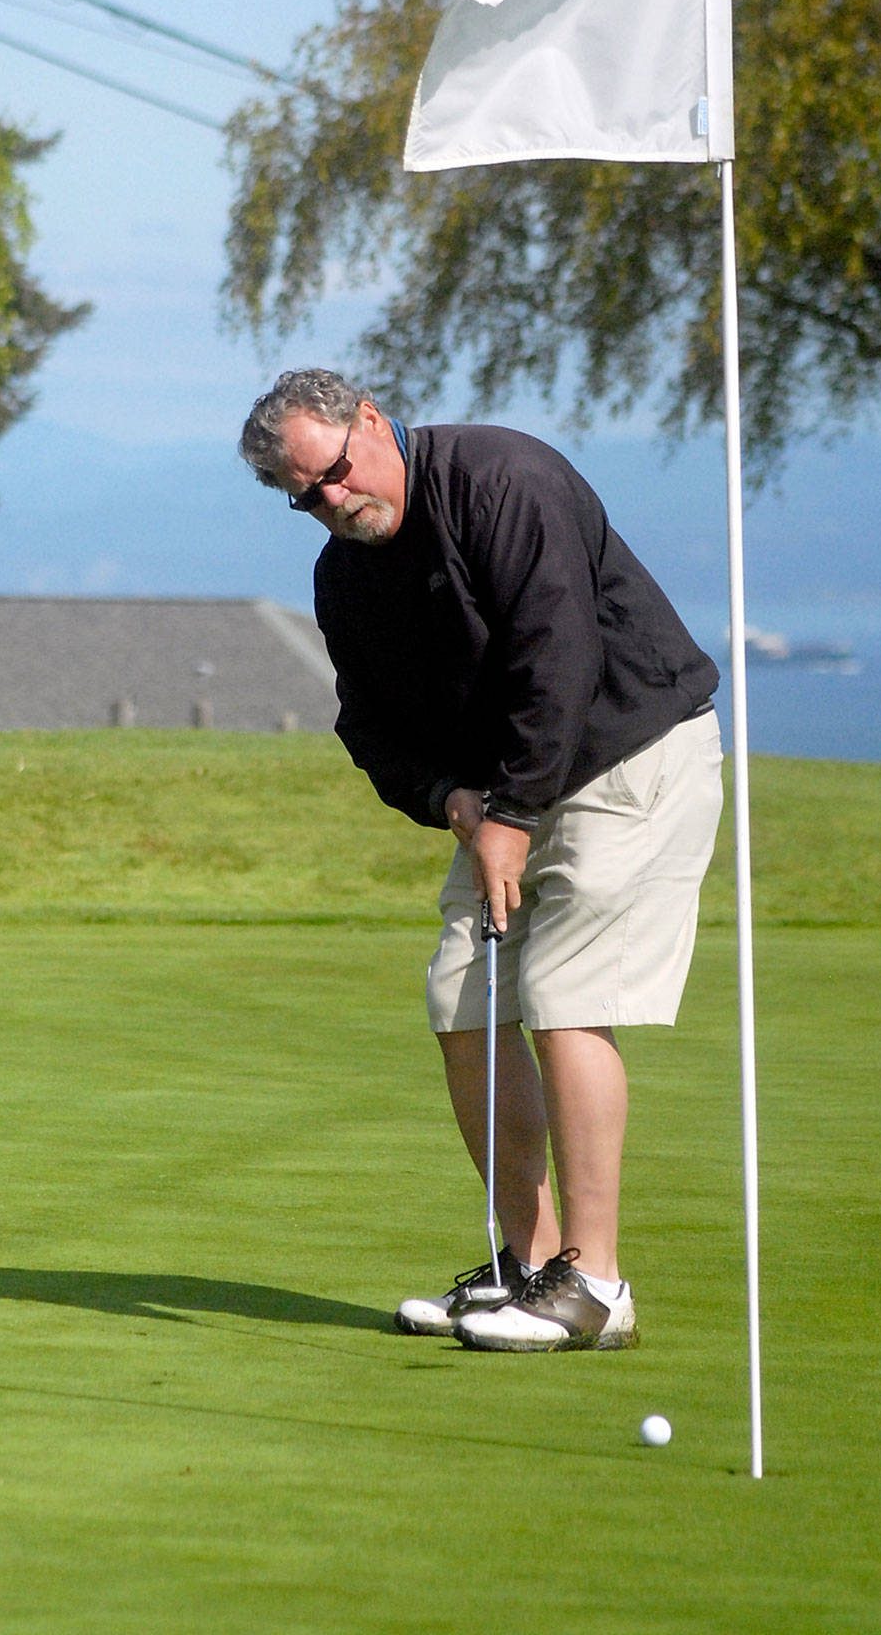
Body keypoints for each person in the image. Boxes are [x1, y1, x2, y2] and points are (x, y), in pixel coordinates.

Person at [239, 368, 723, 1352]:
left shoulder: (502, 480)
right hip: (506, 789)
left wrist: (507, 806)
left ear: (369, 420)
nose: (332, 501)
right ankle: (529, 1264)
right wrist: (446, 798)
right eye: (305, 496)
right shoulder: (345, 574)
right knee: (464, 998)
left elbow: (560, 656)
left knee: (561, 994)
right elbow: (364, 722)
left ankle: (593, 1284)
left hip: (629, 750)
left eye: (333, 472)